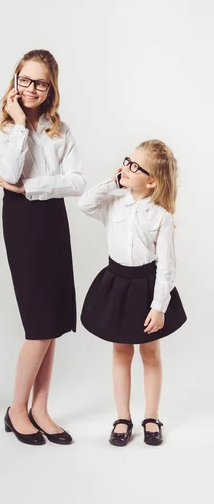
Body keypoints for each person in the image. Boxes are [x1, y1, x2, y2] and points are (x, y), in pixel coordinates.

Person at [0, 49, 86, 446]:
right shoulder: (0, 125)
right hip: (22, 222)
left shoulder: (60, 129)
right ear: (14, 81)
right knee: (38, 323)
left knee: (54, 321)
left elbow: (76, 182)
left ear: (51, 88)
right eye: (23, 80)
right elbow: (8, 173)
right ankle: (16, 409)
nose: (30, 89)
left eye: (39, 83)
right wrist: (17, 127)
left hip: (52, 220)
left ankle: (40, 409)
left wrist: (32, 187)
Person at [78, 141, 186, 446]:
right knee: (121, 351)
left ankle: (151, 416)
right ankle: (122, 417)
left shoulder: (160, 217)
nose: (126, 168)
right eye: (127, 161)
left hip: (147, 287)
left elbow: (167, 266)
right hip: (117, 283)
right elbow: (84, 203)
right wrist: (112, 183)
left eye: (135, 167)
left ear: (151, 180)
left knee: (150, 353)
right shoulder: (113, 202)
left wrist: (159, 306)